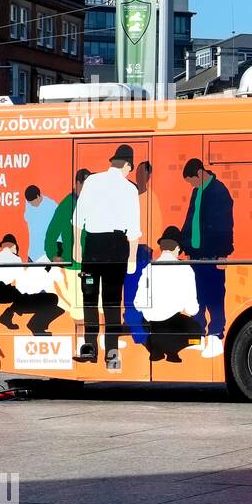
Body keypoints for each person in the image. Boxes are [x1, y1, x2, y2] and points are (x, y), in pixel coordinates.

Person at [73, 144, 141, 369]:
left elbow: (78, 217)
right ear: (128, 165)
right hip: (116, 248)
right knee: (112, 303)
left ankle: (89, 349)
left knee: (89, 299)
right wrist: (131, 258)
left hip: (93, 246)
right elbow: (133, 228)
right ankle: (112, 354)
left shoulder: (92, 181)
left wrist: (77, 246)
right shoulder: (130, 188)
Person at [181, 158, 234, 359]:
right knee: (196, 297)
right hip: (195, 254)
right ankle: (197, 337)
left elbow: (226, 224)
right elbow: (190, 219)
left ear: (199, 174)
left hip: (213, 255)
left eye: (191, 181)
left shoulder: (219, 191)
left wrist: (223, 254)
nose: (191, 185)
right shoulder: (198, 191)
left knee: (214, 296)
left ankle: (215, 336)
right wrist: (184, 243)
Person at [133, 226, 203, 363]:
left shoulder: (149, 268)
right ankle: (172, 351)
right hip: (172, 324)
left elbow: (138, 303)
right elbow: (192, 309)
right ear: (177, 248)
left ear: (162, 247)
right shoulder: (185, 269)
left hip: (151, 323)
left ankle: (155, 348)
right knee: (196, 330)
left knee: (147, 324)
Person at [123, 161, 161, 344]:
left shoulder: (151, 198)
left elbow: (156, 226)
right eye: (137, 172)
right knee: (129, 289)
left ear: (148, 176)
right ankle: (131, 323)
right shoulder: (129, 195)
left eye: (142, 173)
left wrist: (151, 248)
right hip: (128, 249)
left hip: (143, 251)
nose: (138, 176)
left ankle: (138, 332)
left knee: (139, 291)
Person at [2, 254, 68, 336]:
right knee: (52, 299)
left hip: (27, 297)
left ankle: (36, 326)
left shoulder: (49, 267)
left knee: (58, 310)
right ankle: (34, 325)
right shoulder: (43, 262)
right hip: (25, 297)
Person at [43, 168, 90, 268]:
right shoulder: (66, 206)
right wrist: (53, 255)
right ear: (78, 183)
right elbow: (52, 233)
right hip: (71, 265)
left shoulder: (93, 204)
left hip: (91, 263)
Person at [22, 185, 58, 262]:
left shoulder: (52, 206)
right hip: (32, 254)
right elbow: (26, 218)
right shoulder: (28, 203)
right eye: (29, 203)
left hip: (47, 255)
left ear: (38, 196)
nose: (31, 205)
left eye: (33, 203)